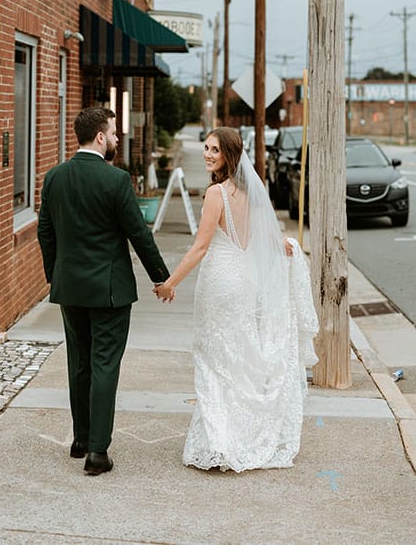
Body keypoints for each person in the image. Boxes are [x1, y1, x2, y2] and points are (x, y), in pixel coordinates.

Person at [154, 127, 318, 472]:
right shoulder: (250, 194)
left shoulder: (217, 194)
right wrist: (287, 248)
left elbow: (200, 247)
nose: (208, 154)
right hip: (245, 282)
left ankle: (220, 441)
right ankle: (242, 434)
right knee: (238, 357)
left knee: (214, 360)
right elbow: (268, 241)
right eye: (207, 148)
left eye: (215, 150)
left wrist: (170, 283)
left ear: (230, 156)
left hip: (219, 283)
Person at [37, 106, 170, 476]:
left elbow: (45, 232)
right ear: (99, 137)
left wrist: (56, 275)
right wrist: (160, 277)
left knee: (78, 362)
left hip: (70, 288)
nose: (115, 139)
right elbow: (138, 234)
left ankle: (81, 439)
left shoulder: (54, 177)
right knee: (104, 364)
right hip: (110, 292)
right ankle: (97, 452)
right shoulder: (115, 180)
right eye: (112, 133)